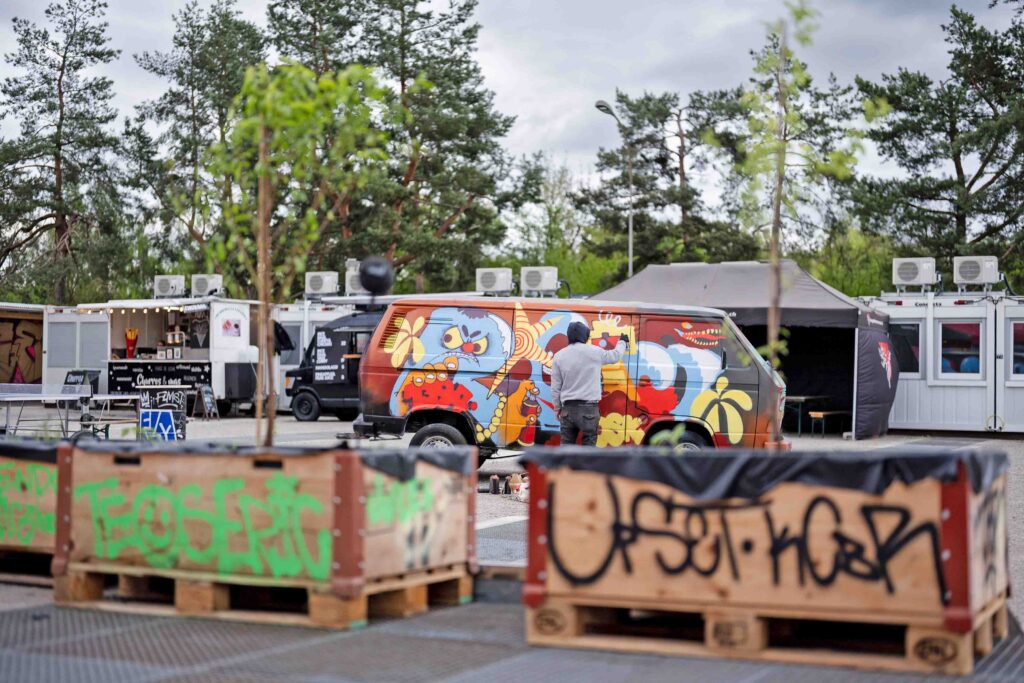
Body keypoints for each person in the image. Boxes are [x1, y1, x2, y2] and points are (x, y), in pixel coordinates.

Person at [550, 321, 627, 446]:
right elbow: (615, 356)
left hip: (568, 409)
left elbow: (555, 387)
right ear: (585, 336)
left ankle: (566, 460)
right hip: (589, 410)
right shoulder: (595, 352)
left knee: (566, 448)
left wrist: (557, 408)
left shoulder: (559, 356)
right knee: (588, 448)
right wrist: (622, 341)